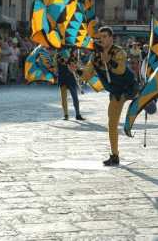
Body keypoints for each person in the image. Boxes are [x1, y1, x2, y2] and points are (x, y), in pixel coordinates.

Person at [80, 27, 139, 166]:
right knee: (112, 123)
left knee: (147, 105)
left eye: (105, 36)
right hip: (116, 92)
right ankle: (114, 155)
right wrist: (76, 69)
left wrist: (109, 61)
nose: (102, 39)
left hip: (129, 87)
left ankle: (146, 101)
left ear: (112, 38)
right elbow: (86, 75)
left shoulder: (119, 51)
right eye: (100, 37)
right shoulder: (94, 56)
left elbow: (120, 70)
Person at [58, 49, 85, 121]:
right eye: (74, 51)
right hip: (62, 78)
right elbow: (60, 64)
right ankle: (66, 114)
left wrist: (77, 68)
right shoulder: (59, 56)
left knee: (75, 98)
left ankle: (78, 114)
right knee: (64, 98)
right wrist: (67, 62)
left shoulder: (74, 58)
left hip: (71, 79)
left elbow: (76, 68)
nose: (75, 52)